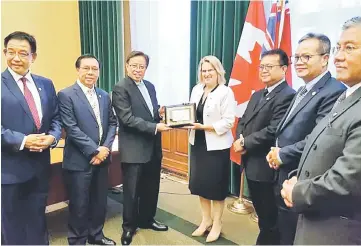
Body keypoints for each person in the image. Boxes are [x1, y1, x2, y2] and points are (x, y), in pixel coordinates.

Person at [281, 16, 361, 245]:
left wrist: (297, 192)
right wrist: (295, 177)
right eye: (338, 47)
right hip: (316, 220)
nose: (338, 56)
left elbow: (348, 180)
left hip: (338, 232)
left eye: (350, 48)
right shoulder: (347, 96)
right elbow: (321, 148)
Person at [266, 33, 347, 244]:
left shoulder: (334, 91)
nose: (299, 62)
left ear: (325, 59)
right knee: (283, 232)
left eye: (307, 57)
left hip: (303, 180)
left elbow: (318, 139)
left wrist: (283, 154)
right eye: (297, 57)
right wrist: (276, 150)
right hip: (283, 175)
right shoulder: (303, 89)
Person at [1, 31, 62, 244]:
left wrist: (53, 138)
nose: (16, 58)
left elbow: (55, 118)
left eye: (23, 53)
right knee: (12, 225)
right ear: (4, 52)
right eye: (11, 52)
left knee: (38, 220)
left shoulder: (45, 84)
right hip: (9, 170)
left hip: (40, 167)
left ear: (33, 57)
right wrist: (24, 141)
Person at [233, 49, 295, 245]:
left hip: (266, 166)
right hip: (251, 162)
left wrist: (245, 143)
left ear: (284, 68)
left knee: (270, 218)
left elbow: (273, 129)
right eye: (262, 66)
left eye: (269, 66)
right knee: (262, 213)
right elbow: (243, 121)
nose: (263, 70)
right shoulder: (258, 94)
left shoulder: (287, 95)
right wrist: (239, 140)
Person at [58, 54, 117, 245]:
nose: (91, 72)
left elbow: (112, 123)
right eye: (86, 68)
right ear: (78, 70)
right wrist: (94, 150)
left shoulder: (103, 95)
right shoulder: (66, 95)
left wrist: (105, 149)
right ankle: (77, 240)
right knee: (79, 205)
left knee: (100, 202)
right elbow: (71, 127)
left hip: (102, 158)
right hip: (79, 161)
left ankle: (96, 235)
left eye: (95, 69)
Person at [112, 51, 170, 245]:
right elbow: (127, 119)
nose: (138, 69)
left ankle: (147, 219)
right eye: (134, 65)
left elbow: (149, 112)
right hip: (134, 148)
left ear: (146, 68)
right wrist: (155, 127)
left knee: (151, 187)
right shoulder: (120, 88)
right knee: (132, 190)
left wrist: (159, 113)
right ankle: (128, 228)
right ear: (127, 65)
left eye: (142, 66)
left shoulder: (150, 86)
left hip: (153, 146)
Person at [188, 55, 235, 243]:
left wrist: (205, 127)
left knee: (215, 187)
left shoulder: (226, 92)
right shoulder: (196, 89)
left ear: (218, 72)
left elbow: (229, 122)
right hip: (198, 144)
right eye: (203, 70)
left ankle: (217, 223)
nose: (206, 74)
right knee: (201, 185)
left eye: (210, 70)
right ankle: (205, 220)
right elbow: (190, 112)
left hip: (216, 147)